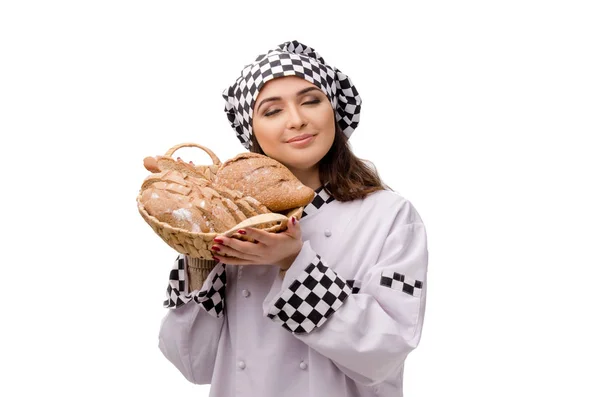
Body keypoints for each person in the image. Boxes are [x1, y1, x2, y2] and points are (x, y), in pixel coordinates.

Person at [158, 40, 429, 397]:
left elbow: (386, 353)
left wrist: (292, 263)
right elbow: (194, 365)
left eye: (311, 101)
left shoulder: (390, 216)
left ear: (333, 110)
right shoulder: (233, 223)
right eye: (273, 111)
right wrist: (199, 248)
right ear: (252, 132)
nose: (297, 119)